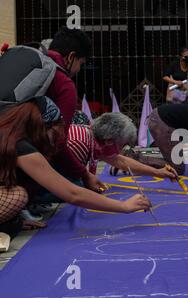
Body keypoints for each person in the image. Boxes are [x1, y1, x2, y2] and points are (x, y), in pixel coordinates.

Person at [0, 98, 150, 238]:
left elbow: (117, 160)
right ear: (43, 127)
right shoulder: (22, 147)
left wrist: (14, 220)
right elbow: (72, 193)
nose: (57, 139)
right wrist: (124, 206)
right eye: (55, 133)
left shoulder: (12, 137)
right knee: (18, 196)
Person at [45, 27, 103, 193]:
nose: (78, 70)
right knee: (76, 186)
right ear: (71, 57)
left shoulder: (31, 67)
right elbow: (58, 142)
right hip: (23, 163)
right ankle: (31, 197)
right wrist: (84, 174)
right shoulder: (63, 83)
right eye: (81, 63)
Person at [67, 112, 176, 190]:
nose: (121, 150)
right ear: (109, 141)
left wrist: (157, 172)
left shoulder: (92, 137)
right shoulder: (79, 144)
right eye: (122, 145)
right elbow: (67, 187)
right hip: (52, 182)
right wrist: (125, 207)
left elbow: (120, 161)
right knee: (80, 187)